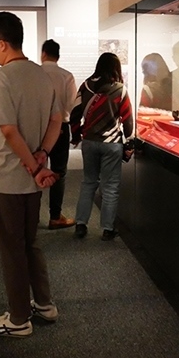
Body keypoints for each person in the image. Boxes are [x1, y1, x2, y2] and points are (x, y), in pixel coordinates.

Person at [0, 12, 62, 338]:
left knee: (11, 247)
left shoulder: (2, 77)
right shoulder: (42, 74)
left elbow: (8, 130)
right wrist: (42, 153)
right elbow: (56, 120)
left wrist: (35, 166)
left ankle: (18, 319)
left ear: (2, 43)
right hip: (31, 179)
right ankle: (44, 303)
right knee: (30, 243)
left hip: (7, 176)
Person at [70, 52, 134, 241]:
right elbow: (128, 120)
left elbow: (75, 113)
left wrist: (77, 134)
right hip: (112, 144)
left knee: (88, 183)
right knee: (111, 186)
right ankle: (107, 229)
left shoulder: (86, 86)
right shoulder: (120, 89)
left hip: (90, 142)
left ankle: (80, 225)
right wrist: (128, 141)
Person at [40, 39, 78, 230]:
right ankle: (55, 216)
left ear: (43, 54)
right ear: (58, 56)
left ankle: (31, 215)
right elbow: (72, 105)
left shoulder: (36, 74)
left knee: (36, 169)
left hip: (38, 129)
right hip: (61, 127)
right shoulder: (66, 76)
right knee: (58, 172)